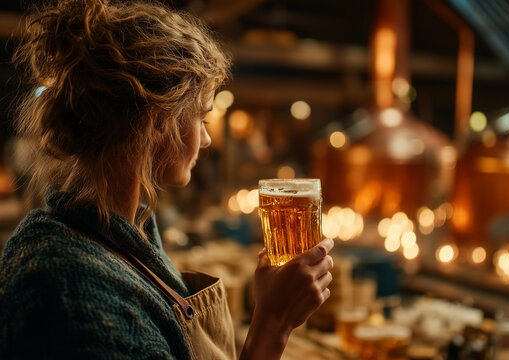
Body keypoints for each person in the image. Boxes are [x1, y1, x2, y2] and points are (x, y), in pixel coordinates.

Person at [0, 0, 334, 359]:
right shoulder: (76, 294)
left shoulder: (120, 229)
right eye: (202, 119)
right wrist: (274, 322)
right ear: (158, 120)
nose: (206, 140)